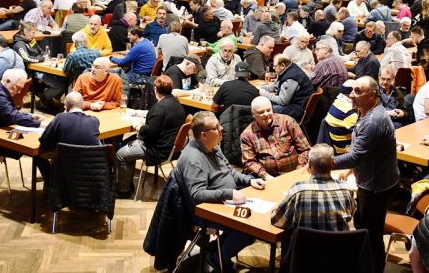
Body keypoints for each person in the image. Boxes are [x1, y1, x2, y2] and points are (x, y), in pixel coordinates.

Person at [175, 111, 266, 272]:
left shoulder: (213, 146)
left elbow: (229, 172)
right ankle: (216, 258)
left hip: (225, 200)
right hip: (206, 210)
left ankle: (214, 250)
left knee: (257, 218)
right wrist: (229, 194)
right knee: (248, 231)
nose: (222, 128)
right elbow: (197, 195)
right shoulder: (193, 159)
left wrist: (249, 181)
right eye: (216, 127)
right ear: (203, 135)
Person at [334, 76, 400, 273]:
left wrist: (326, 162)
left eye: (358, 91)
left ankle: (374, 268)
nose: (351, 95)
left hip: (375, 187)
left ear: (372, 95)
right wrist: (350, 169)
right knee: (362, 224)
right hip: (373, 180)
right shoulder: (368, 111)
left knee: (371, 234)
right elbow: (364, 151)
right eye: (352, 90)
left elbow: (356, 156)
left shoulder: (373, 121)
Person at [115, 75, 185, 198]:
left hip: (157, 150)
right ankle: (127, 182)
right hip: (170, 146)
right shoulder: (176, 103)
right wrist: (142, 114)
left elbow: (148, 133)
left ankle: (123, 190)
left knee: (121, 154)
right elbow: (161, 119)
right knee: (126, 143)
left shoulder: (158, 108)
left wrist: (138, 126)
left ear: (155, 89)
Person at [270, 143, 356, 232]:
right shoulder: (347, 189)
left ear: (310, 164)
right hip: (339, 241)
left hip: (306, 241)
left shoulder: (298, 190)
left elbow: (277, 220)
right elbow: (351, 213)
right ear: (333, 164)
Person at [0, 69, 44, 154]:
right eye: (17, 87)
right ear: (7, 81)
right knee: (31, 143)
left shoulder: (0, 88)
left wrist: (30, 117)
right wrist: (40, 125)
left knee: (34, 140)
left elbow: (10, 112)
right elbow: (13, 116)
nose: (19, 92)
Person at [240, 96, 311, 179]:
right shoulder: (247, 135)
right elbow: (249, 162)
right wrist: (266, 176)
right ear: (253, 114)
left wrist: (299, 169)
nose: (266, 114)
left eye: (268, 110)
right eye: (261, 112)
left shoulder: (287, 122)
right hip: (268, 178)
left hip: (296, 172)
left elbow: (306, 149)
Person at [37, 91, 100, 181]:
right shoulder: (95, 121)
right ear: (83, 105)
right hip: (89, 173)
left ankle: (49, 182)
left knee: (38, 154)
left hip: (64, 169)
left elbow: (44, 141)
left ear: (65, 107)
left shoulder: (60, 118)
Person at [259, 54, 314, 121]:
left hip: (296, 109)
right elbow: (275, 86)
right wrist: (259, 88)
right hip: (292, 104)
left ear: (282, 66)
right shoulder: (289, 69)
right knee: (263, 104)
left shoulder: (291, 78)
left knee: (263, 110)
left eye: (275, 66)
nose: (273, 68)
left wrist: (264, 94)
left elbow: (282, 101)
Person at [378, 64, 407, 129]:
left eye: (388, 79)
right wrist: (387, 113)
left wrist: (402, 113)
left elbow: (405, 111)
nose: (385, 82)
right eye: (383, 79)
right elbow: (370, 113)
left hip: (396, 124)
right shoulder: (373, 92)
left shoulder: (398, 93)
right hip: (379, 124)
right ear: (379, 77)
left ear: (393, 78)